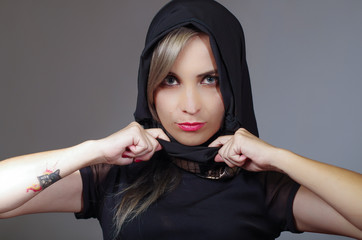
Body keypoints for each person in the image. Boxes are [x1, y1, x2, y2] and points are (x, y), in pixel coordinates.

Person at [0, 0, 361, 239]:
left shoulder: (265, 187)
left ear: (234, 86)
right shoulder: (113, 177)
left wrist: (280, 158)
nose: (190, 105)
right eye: (170, 80)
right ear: (150, 88)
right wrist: (93, 151)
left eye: (210, 79)